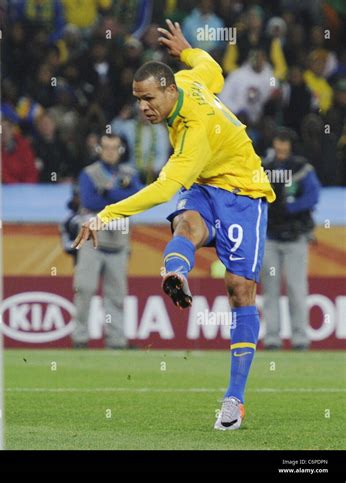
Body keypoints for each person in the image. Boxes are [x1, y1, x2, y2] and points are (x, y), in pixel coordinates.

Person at [72, 20, 275, 431]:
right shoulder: (183, 79)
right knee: (185, 224)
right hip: (205, 185)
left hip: (243, 192)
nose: (144, 108)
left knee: (240, 290)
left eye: (149, 99)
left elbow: (163, 189)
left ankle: (234, 399)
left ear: (167, 91)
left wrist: (106, 214)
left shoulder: (194, 132)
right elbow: (212, 69)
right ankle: (177, 272)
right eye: (138, 100)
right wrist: (187, 49)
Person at [72, 134, 143, 349]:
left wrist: (107, 191)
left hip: (119, 242)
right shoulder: (89, 173)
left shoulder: (129, 173)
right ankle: (80, 338)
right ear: (100, 149)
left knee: (117, 294)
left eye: (114, 147)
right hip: (92, 239)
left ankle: (117, 340)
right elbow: (89, 200)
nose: (110, 151)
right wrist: (121, 195)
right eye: (106, 147)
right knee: (84, 288)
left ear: (121, 150)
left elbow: (139, 197)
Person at [261, 128, 321, 351]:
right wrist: (269, 209)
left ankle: (300, 339)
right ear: (274, 143)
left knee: (297, 289)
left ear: (291, 145)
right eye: (279, 143)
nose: (282, 147)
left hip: (295, 237)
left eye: (285, 143)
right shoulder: (263, 167)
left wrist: (288, 208)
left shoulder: (302, 167)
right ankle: (272, 339)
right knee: (270, 290)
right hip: (269, 237)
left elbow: (313, 196)